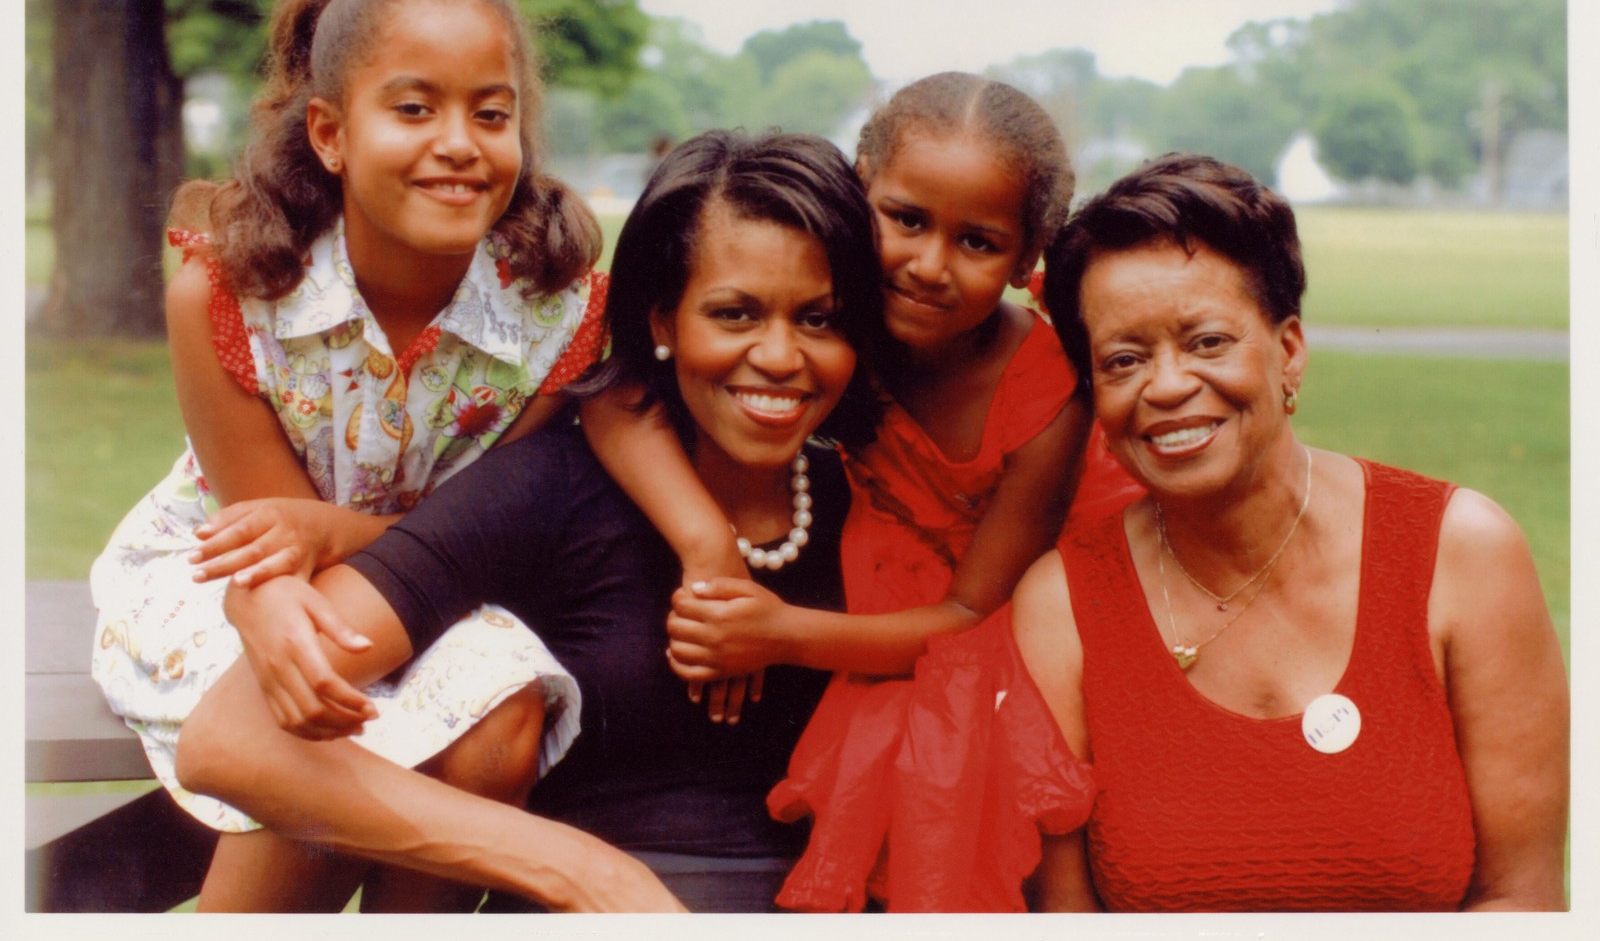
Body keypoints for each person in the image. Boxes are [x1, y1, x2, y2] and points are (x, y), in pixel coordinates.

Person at [172, 129, 889, 912]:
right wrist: (585, 870)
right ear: (663, 319)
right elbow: (230, 741)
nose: (782, 356)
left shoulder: (882, 507)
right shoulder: (555, 487)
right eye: (735, 313)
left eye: (820, 319)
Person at [88, 0, 607, 910]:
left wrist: (356, 542)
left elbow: (510, 531)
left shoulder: (560, 313)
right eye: (414, 108)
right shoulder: (226, 294)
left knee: (500, 722)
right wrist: (300, 576)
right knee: (317, 704)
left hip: (452, 584)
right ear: (329, 133)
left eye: (490, 114)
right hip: (239, 580)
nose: (459, 141)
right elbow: (270, 537)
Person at [910, 152, 1569, 911]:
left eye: (1207, 342)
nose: (1166, 385)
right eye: (1124, 359)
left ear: (1289, 352)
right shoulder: (1063, 606)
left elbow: (1522, 900)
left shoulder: (1464, 553)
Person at [600, 72, 1138, 911]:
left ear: (1028, 256)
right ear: (860, 194)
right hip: (899, 580)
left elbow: (973, 616)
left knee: (946, 751)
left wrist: (779, 633)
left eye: (978, 242)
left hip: (1025, 609)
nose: (928, 266)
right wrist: (707, 545)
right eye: (907, 220)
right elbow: (615, 393)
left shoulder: (1048, 392)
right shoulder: (826, 311)